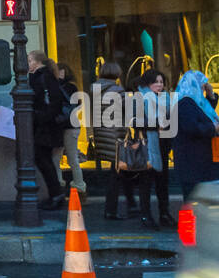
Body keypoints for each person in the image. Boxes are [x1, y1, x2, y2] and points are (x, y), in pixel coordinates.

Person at [171, 69, 219, 200]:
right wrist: (213, 129)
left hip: (201, 159)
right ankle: (192, 221)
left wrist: (211, 94)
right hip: (194, 160)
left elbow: (205, 112)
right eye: (202, 84)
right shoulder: (185, 103)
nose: (204, 87)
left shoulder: (196, 101)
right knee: (193, 199)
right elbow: (192, 127)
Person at [93, 61, 139, 220]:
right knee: (117, 173)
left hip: (103, 136)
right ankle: (111, 209)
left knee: (121, 171)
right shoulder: (117, 90)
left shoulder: (95, 90)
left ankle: (131, 204)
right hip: (116, 136)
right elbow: (130, 111)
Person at [27, 51, 67, 210]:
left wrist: (39, 116)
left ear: (37, 62)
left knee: (44, 160)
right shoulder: (42, 76)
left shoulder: (43, 77)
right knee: (44, 161)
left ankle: (56, 195)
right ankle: (55, 194)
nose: (28, 63)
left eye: (30, 60)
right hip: (44, 125)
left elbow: (52, 103)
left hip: (45, 126)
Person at [136, 68, 174, 229]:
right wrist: (155, 125)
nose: (159, 85)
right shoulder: (140, 99)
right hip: (147, 144)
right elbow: (134, 121)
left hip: (163, 144)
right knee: (146, 182)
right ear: (147, 83)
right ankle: (146, 215)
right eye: (155, 82)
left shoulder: (166, 99)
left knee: (162, 181)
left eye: (161, 82)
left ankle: (164, 213)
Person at [54, 64, 87, 200]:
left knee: (58, 158)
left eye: (60, 71)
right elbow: (77, 104)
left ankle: (61, 186)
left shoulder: (57, 87)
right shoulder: (72, 87)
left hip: (61, 125)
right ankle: (79, 188)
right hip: (71, 125)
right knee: (71, 158)